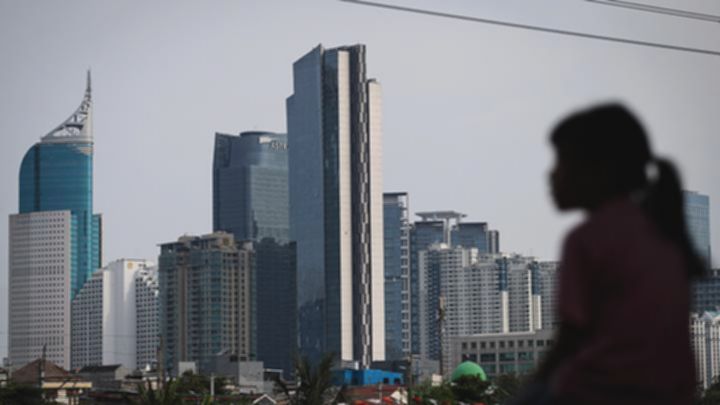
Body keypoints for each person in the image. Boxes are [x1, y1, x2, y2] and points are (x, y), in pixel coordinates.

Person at [512, 103, 704, 405]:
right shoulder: (664, 235)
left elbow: (569, 340)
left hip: (598, 391)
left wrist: (529, 390)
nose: (551, 175)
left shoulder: (586, 239)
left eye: (562, 162)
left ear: (599, 171)